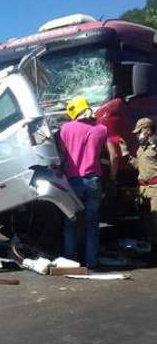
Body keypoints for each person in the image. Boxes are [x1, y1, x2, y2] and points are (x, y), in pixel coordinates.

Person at [59, 95, 118, 269]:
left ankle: (70, 262)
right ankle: (90, 262)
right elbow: (114, 157)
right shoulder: (101, 129)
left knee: (71, 222)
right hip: (93, 181)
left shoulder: (65, 129)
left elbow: (61, 156)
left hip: (72, 181)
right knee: (92, 223)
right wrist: (112, 179)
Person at [121, 117, 157, 248]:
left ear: (147, 130)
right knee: (146, 220)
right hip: (143, 189)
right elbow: (140, 166)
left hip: (155, 189)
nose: (137, 135)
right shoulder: (141, 148)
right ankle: (152, 247)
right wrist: (127, 155)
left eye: (139, 131)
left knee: (156, 218)